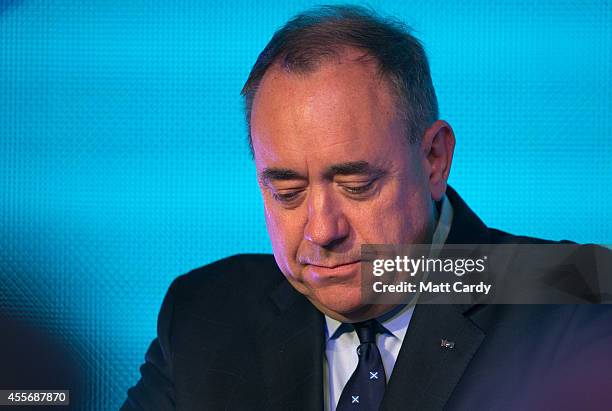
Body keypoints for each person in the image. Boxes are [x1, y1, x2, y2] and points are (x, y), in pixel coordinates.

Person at [122, 5, 612, 410]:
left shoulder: (574, 294)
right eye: (287, 192)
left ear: (434, 159)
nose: (321, 229)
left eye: (356, 184)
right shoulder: (203, 314)